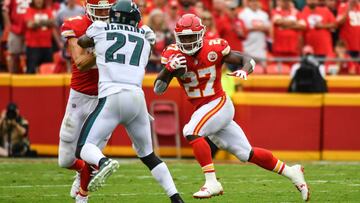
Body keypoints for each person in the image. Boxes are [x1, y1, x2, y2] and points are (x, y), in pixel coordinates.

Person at [154, 14, 310, 201]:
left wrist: (244, 70)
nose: (187, 42)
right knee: (246, 153)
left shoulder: (214, 48)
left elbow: (248, 59)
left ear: (201, 35)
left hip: (218, 103)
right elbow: (158, 89)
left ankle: (211, 182)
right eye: (184, 37)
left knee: (191, 130)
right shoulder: (172, 55)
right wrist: (168, 69)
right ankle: (291, 172)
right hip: (205, 110)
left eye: (190, 37)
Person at [75, 1, 184, 203]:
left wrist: (98, 39)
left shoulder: (100, 28)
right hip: (136, 98)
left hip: (112, 95)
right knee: (149, 156)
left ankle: (103, 162)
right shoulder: (145, 36)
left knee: (83, 147)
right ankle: (176, 197)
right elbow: (143, 54)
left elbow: (82, 42)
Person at [58, 0, 115, 202]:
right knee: (65, 159)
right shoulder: (75, 24)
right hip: (80, 96)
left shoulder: (120, 24)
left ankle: (82, 196)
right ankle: (82, 170)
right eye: (98, 10)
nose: (102, 14)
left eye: (106, 10)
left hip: (106, 95)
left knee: (92, 148)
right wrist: (104, 46)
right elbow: (81, 63)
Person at [24, 0, 58, 73]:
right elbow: (30, 24)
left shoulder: (48, 10)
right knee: (31, 70)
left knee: (48, 71)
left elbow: (53, 22)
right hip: (33, 46)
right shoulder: (29, 10)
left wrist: (37, 22)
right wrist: (46, 22)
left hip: (47, 46)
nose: (39, 1)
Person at [2, 0, 31, 73]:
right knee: (13, 55)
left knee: (30, 55)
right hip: (15, 29)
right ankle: (12, 77)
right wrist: (8, 26)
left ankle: (29, 77)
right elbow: (5, 9)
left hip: (31, 31)